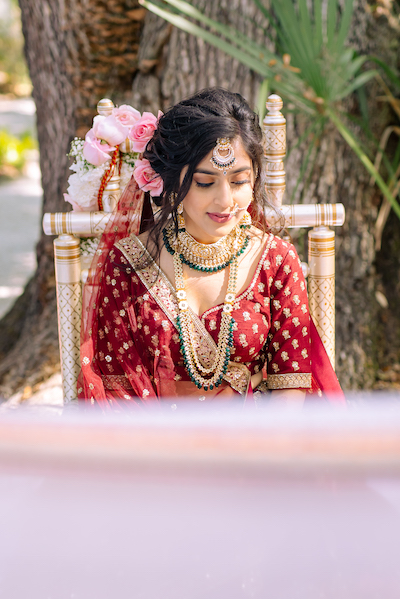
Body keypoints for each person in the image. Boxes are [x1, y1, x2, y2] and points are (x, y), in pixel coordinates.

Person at [78, 88, 344, 408]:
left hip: (257, 441)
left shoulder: (276, 261)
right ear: (172, 179)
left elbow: (291, 381)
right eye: (205, 182)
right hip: (155, 445)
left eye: (238, 181)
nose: (225, 201)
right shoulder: (129, 263)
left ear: (254, 178)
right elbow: (116, 388)